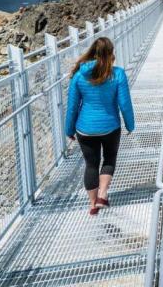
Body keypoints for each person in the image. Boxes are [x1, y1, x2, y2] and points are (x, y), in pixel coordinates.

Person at [64, 37, 135, 215]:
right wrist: (130, 125)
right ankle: (103, 194)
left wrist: (69, 129)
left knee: (91, 165)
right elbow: (124, 104)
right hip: (110, 126)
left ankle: (93, 204)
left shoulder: (79, 75)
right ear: (110, 54)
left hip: (84, 129)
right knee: (109, 159)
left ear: (92, 52)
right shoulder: (117, 73)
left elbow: (72, 106)